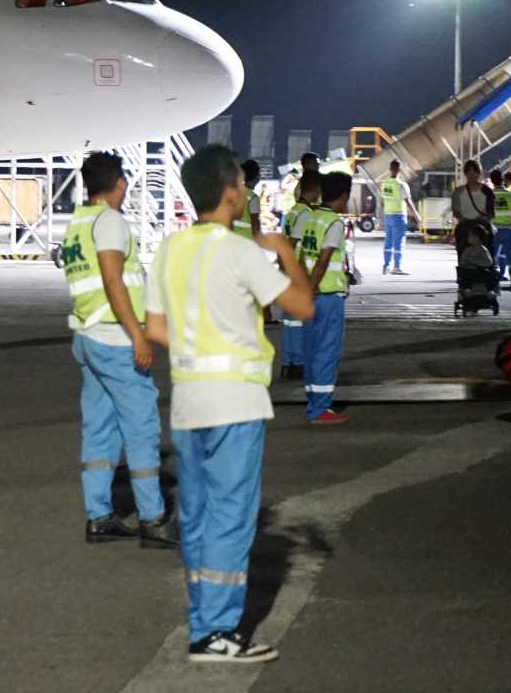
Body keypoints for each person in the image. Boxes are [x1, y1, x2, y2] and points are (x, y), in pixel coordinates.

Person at [144, 144, 314, 664]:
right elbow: (302, 306)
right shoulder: (240, 252)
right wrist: (284, 251)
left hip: (188, 400)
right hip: (236, 402)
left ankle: (204, 621)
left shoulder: (169, 249)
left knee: (197, 514)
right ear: (230, 194)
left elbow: (155, 328)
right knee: (231, 517)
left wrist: (198, 346)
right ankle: (216, 633)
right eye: (241, 183)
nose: (244, 190)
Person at [62, 152, 176, 547]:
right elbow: (113, 281)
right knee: (141, 428)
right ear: (120, 183)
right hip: (114, 338)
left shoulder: (78, 223)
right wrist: (137, 335)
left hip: (88, 336)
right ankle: (152, 519)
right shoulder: (109, 221)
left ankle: (99, 516)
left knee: (99, 428)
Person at [298, 173, 353, 425]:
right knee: (327, 350)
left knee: (311, 349)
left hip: (311, 294)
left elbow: (302, 256)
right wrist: (312, 289)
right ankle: (320, 408)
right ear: (344, 196)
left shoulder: (311, 217)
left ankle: (313, 399)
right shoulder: (334, 222)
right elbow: (323, 260)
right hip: (327, 294)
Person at [276, 171, 321, 380]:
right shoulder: (305, 214)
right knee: (299, 322)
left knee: (289, 322)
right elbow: (294, 244)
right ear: (314, 190)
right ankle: (298, 363)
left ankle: (288, 363)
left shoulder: (292, 211)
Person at [377, 160, 417, 276]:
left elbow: (382, 201)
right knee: (398, 243)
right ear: (400, 170)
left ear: (390, 169)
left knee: (388, 242)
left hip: (387, 216)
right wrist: (416, 215)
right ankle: (397, 267)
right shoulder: (401, 185)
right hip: (399, 216)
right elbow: (408, 202)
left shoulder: (384, 184)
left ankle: (386, 267)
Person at [450, 160, 492, 252]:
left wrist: (484, 218)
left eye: (474, 172)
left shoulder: (487, 191)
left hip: (482, 227)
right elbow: (455, 211)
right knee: (463, 249)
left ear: (479, 173)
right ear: (465, 174)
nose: (472, 175)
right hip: (465, 226)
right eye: (469, 172)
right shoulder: (458, 192)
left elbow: (491, 211)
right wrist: (462, 219)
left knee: (487, 248)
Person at [490, 171, 511, 292]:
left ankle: (492, 285)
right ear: (502, 180)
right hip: (510, 230)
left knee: (492, 259)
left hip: (495, 230)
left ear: (492, 181)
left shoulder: (490, 195)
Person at [232, 160, 262, 238]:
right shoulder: (253, 197)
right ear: (256, 176)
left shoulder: (233, 193)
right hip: (246, 239)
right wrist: (259, 240)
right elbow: (255, 222)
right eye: (259, 174)